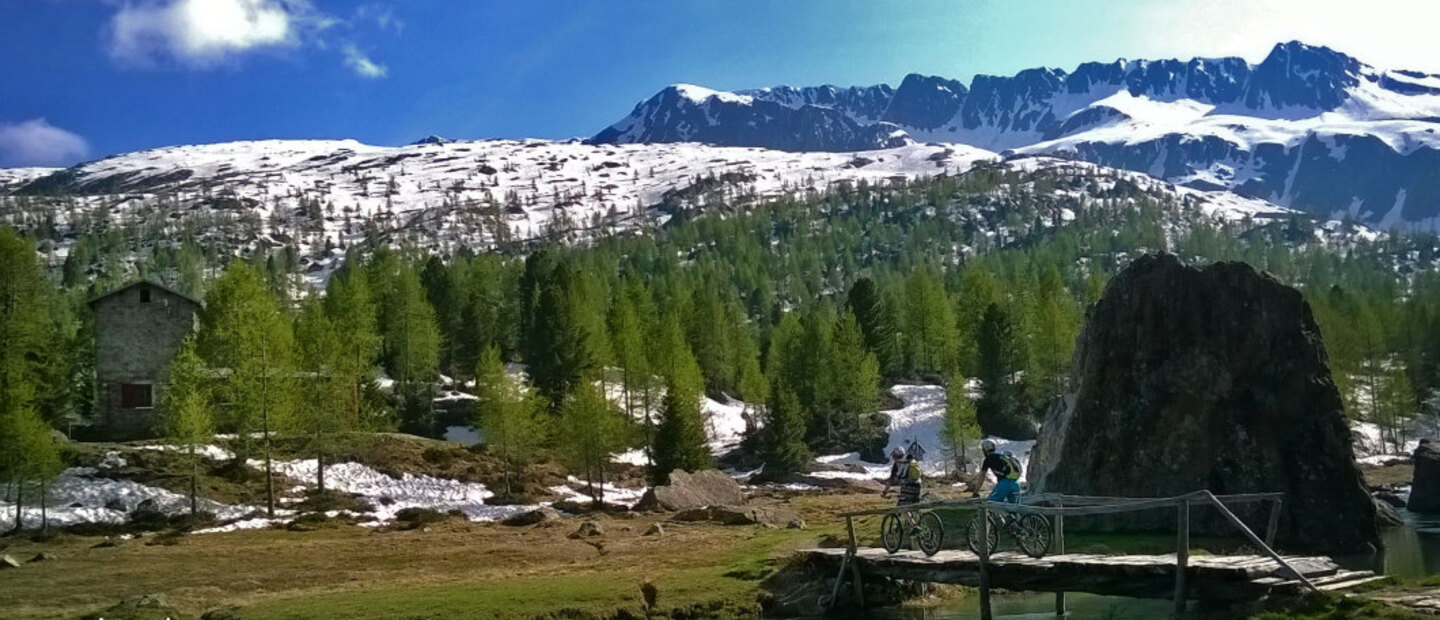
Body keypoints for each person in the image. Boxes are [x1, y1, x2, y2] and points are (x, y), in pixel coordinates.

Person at [971, 439, 1022, 504]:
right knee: (1014, 507)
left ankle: (999, 514)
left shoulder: (988, 459)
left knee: (991, 504)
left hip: (1004, 484)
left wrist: (975, 491)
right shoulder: (1001, 456)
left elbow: (982, 476)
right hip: (1016, 482)